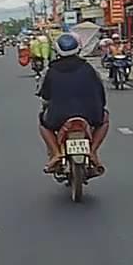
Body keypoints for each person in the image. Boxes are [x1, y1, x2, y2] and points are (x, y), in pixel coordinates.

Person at [38, 33, 110, 173]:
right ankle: (93, 151)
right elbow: (100, 92)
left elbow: (44, 95)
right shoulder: (89, 68)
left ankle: (56, 153)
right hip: (90, 113)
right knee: (105, 119)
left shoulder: (50, 70)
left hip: (58, 116)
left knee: (43, 123)